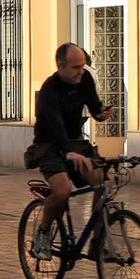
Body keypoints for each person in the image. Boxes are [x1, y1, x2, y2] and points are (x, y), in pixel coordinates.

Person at [27, 43, 107, 261]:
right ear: (60, 67)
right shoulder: (49, 90)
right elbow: (55, 127)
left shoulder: (85, 79)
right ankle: (42, 235)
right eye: (75, 67)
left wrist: (100, 114)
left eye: (82, 65)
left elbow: (93, 105)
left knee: (104, 182)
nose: (81, 71)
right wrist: (68, 153)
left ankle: (98, 242)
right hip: (48, 145)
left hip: (75, 143)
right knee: (62, 190)